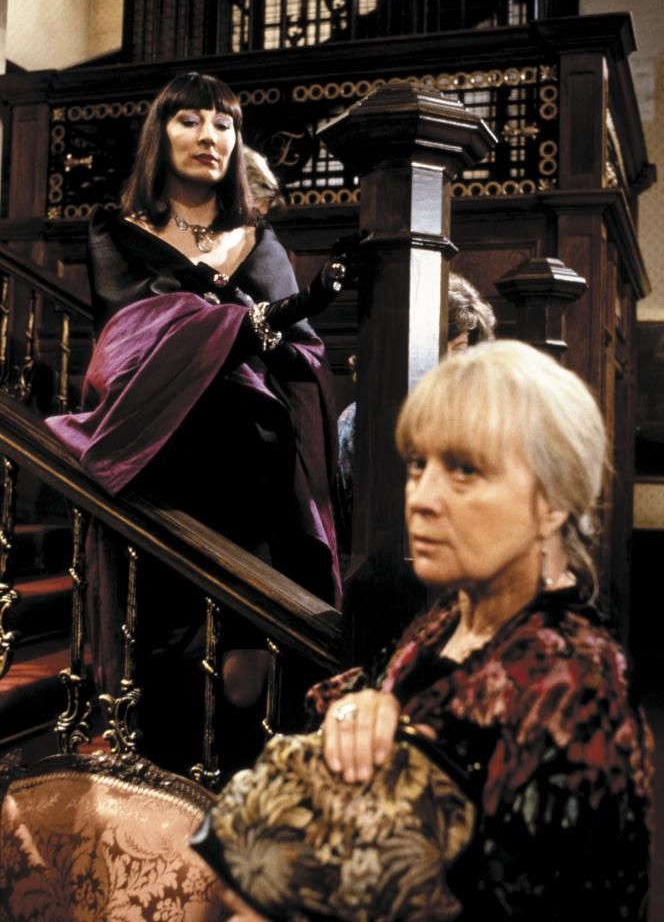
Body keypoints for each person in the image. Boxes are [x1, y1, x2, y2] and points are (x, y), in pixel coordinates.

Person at [195, 340, 653, 921]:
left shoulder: (577, 686)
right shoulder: (448, 619)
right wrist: (358, 708)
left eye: (464, 470)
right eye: (418, 465)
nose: (422, 498)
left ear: (553, 503)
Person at [46, 71, 346, 772]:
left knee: (246, 670)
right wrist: (248, 311)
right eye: (189, 120)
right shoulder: (118, 233)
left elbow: (297, 354)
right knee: (162, 651)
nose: (209, 136)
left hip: (252, 473)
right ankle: (164, 791)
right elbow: (136, 342)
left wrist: (252, 321)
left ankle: (234, 792)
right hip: (161, 464)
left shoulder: (260, 242)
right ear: (161, 133)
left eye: (223, 123)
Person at [334, 271, 496, 572]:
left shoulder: (481, 420)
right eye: (438, 346)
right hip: (375, 576)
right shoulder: (358, 418)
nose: (448, 362)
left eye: (460, 349)